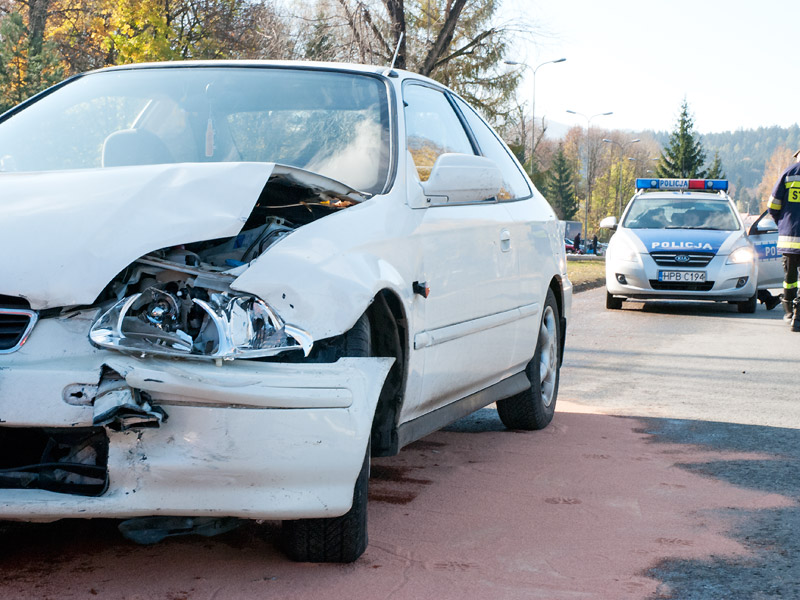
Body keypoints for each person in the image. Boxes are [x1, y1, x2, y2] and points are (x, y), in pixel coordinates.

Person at [767, 148, 800, 331]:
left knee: (790, 279)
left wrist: (782, 222)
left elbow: (773, 205)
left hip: (790, 238)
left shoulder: (788, 173)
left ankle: (789, 313)